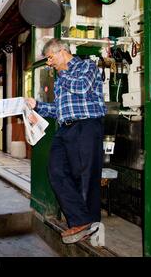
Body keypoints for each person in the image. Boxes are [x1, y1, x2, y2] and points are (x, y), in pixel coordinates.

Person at [25, 38, 106, 244]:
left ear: (62, 52)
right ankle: (82, 220)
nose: (49, 63)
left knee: (86, 176)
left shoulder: (86, 66)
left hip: (86, 126)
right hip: (65, 129)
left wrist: (63, 73)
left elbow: (81, 88)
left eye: (50, 58)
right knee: (56, 171)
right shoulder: (60, 77)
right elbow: (59, 109)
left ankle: (88, 224)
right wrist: (37, 106)